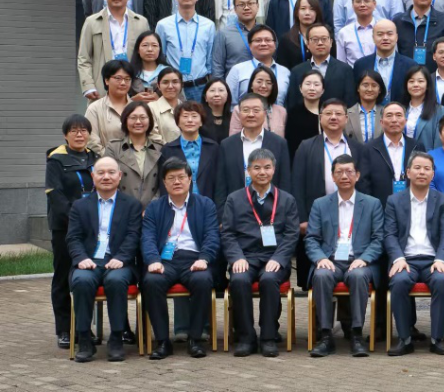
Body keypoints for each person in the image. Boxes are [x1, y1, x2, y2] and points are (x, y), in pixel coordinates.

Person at [222, 147, 301, 357]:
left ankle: (268, 337)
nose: (262, 172)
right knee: (239, 280)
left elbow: (292, 235)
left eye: (267, 167)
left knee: (269, 279)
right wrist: (236, 257)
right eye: (256, 168)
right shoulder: (234, 199)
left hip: (274, 257)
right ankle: (246, 337)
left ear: (274, 170)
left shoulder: (287, 200)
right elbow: (228, 233)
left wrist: (279, 259)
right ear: (248, 171)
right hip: (245, 257)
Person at [304, 154, 385, 358]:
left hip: (359, 260)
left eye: (349, 171)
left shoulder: (372, 204)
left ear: (357, 175)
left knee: (358, 276)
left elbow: (378, 239)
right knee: (321, 275)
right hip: (330, 259)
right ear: (332, 176)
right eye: (339, 172)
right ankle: (325, 336)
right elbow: (311, 238)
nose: (344, 176)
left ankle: (356, 335)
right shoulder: (320, 204)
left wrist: (364, 259)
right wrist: (320, 258)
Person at [141, 157, 220, 359]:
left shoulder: (205, 204)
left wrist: (204, 258)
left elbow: (212, 236)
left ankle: (195, 339)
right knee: (151, 281)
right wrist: (153, 260)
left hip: (194, 259)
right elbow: (147, 238)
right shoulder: (154, 208)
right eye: (171, 178)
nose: (176, 182)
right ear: (164, 182)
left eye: (181, 177)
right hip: (164, 260)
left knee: (203, 280)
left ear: (190, 179)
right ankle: (162, 342)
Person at [65, 156, 141, 362]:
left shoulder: (132, 205)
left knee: (116, 280)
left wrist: (122, 257)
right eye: (101, 173)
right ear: (93, 176)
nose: (106, 177)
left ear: (119, 176)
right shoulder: (79, 205)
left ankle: (116, 338)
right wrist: (81, 258)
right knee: (81, 280)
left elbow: (133, 236)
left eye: (111, 172)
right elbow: (73, 237)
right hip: (89, 261)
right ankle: (84, 339)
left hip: (119, 261)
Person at [384, 151, 444, 356]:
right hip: (405, 260)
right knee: (399, 282)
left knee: (441, 281)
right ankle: (405, 339)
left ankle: (437, 338)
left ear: (433, 174)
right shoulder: (394, 201)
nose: (422, 172)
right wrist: (398, 258)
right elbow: (389, 234)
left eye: (427, 169)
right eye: (417, 168)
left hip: (433, 260)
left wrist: (441, 259)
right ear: (408, 172)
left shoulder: (443, 200)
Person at [292, 99, 368, 289]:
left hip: (350, 216)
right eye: (328, 113)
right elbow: (297, 183)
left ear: (346, 118)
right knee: (320, 271)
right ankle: (320, 307)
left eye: (338, 114)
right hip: (316, 218)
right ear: (320, 118)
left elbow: (365, 184)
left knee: (350, 269)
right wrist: (302, 218)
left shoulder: (357, 148)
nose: (333, 117)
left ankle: (347, 309)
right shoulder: (306, 146)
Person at [46, 115, 100, 349]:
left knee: (85, 277)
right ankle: (64, 329)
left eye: (83, 130)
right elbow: (55, 195)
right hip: (65, 227)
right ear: (65, 135)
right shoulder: (56, 160)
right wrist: (76, 220)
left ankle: (83, 327)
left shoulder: (95, 158)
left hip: (92, 228)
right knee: (63, 277)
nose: (79, 134)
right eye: (74, 131)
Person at [214, 94, 291, 216]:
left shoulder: (279, 143)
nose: (251, 114)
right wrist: (222, 215)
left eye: (256, 110)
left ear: (264, 113)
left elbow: (284, 181)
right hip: (236, 211)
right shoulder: (227, 145)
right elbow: (220, 185)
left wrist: (283, 212)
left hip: (271, 211)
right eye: (245, 110)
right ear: (239, 114)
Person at [78, 0, 151, 101]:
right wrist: (88, 86)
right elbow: (84, 58)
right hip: (102, 87)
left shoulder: (141, 22)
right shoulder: (92, 22)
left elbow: (147, 59)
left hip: (134, 88)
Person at [156, 0, 218, 102]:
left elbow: (210, 58)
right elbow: (160, 57)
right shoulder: (163, 25)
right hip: (173, 87)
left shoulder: (209, 25)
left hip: (200, 86)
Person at [359, 102, 427, 203]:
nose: (394, 120)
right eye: (389, 115)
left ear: (405, 121)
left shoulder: (417, 147)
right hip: (380, 206)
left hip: (412, 205)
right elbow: (364, 183)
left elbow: (424, 177)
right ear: (381, 122)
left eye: (399, 115)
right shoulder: (369, 148)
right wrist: (372, 207)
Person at [104, 101, 164, 208]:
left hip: (153, 211)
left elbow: (163, 183)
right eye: (133, 117)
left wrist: (151, 209)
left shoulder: (159, 149)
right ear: (125, 120)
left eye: (143, 117)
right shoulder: (113, 148)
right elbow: (108, 180)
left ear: (150, 121)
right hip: (122, 209)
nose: (138, 122)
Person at [285, 23, 355, 107]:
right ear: (307, 44)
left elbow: (350, 103)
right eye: (315, 39)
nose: (320, 43)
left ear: (331, 42)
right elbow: (292, 104)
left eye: (324, 39)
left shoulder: (345, 70)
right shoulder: (297, 72)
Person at [352, 19, 416, 106]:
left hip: (399, 113)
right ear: (373, 38)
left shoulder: (410, 65)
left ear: (396, 37)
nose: (385, 38)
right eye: (380, 34)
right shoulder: (361, 65)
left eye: (389, 34)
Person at [226, 25, 290, 106]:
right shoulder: (237, 70)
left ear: (275, 44)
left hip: (278, 113)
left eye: (268, 40)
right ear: (250, 45)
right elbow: (229, 103)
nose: (263, 44)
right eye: (258, 40)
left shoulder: (285, 72)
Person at [84, 60, 137, 152]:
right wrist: (110, 159)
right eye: (118, 78)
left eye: (127, 79)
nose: (123, 83)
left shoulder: (138, 108)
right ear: (106, 80)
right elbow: (92, 142)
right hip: (105, 159)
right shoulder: (94, 108)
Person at [212, 0, 262, 80]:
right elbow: (217, 67)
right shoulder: (224, 34)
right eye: (241, 4)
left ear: (257, 6)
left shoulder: (266, 33)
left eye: (250, 3)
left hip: (261, 85)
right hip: (234, 86)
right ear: (235, 9)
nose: (246, 8)